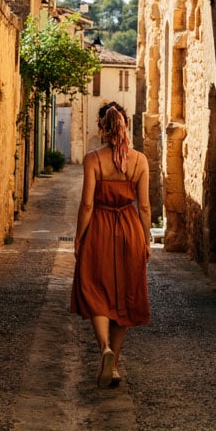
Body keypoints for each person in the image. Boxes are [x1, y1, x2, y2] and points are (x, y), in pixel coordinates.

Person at [71, 101, 151, 388]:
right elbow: (144, 207)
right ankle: (114, 366)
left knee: (96, 290)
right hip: (130, 230)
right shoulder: (140, 161)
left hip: (100, 230)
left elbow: (87, 204)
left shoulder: (93, 159)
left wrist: (79, 238)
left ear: (102, 131)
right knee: (124, 296)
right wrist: (146, 240)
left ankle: (104, 348)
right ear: (126, 126)